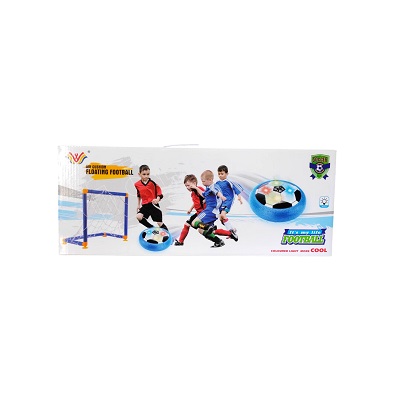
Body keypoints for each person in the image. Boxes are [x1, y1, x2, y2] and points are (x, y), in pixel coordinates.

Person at [191, 169, 237, 248]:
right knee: (201, 230)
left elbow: (216, 192)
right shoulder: (209, 187)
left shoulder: (213, 186)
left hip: (210, 211)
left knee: (194, 223)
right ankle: (221, 240)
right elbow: (204, 194)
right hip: (214, 212)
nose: (202, 183)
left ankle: (208, 227)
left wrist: (221, 196)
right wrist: (197, 189)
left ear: (210, 180)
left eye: (203, 181)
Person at [174, 174, 206, 246]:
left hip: (204, 213)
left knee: (198, 227)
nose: (187, 187)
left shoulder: (199, 189)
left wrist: (205, 200)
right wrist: (190, 209)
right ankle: (180, 241)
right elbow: (196, 202)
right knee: (187, 224)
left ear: (194, 183)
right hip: (198, 213)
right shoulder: (193, 193)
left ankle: (209, 227)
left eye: (188, 185)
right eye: (186, 186)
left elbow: (206, 195)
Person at [134, 164, 168, 231]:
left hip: (153, 205)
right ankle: (152, 229)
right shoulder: (137, 184)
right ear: (139, 174)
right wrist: (138, 205)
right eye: (144, 174)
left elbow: (159, 192)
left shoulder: (152, 183)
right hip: (145, 205)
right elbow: (139, 194)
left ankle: (167, 234)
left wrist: (157, 199)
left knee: (159, 223)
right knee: (138, 216)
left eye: (148, 174)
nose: (146, 176)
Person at [216, 164, 243, 240]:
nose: (220, 175)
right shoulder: (217, 183)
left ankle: (231, 233)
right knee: (221, 219)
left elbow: (236, 188)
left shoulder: (228, 182)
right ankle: (232, 229)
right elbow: (214, 191)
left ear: (227, 174)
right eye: (219, 174)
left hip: (228, 201)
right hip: (221, 202)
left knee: (223, 215)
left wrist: (239, 197)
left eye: (222, 174)